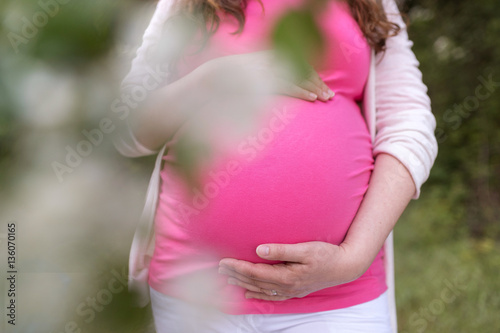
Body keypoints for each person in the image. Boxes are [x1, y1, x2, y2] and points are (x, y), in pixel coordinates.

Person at [113, 0, 438, 332]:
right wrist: (212, 78)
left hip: (338, 298)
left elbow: (409, 124)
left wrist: (352, 259)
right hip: (194, 293)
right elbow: (125, 128)